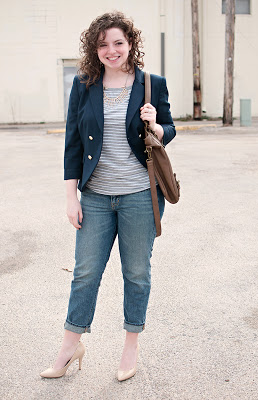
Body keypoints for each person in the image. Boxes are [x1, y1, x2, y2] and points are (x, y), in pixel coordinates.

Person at [40, 11, 176, 381]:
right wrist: (71, 198)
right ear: (94, 49)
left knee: (136, 273)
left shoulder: (152, 83)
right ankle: (69, 348)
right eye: (103, 45)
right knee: (85, 274)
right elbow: (72, 144)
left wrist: (157, 125)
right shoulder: (85, 84)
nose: (111, 50)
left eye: (118, 42)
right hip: (96, 198)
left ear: (130, 43)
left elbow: (170, 129)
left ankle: (130, 346)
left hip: (139, 196)